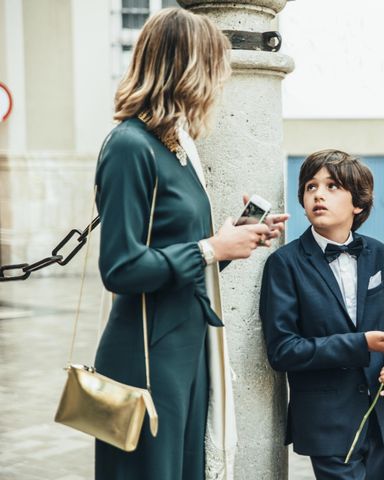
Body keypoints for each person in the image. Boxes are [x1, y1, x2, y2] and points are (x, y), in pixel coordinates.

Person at [93, 9, 288, 480]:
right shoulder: (129, 146)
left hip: (186, 346)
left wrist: (235, 240)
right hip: (147, 355)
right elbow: (119, 267)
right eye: (213, 68)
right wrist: (211, 249)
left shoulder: (174, 147)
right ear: (186, 69)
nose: (219, 83)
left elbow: (182, 256)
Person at [260, 150, 384, 480]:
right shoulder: (284, 264)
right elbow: (283, 350)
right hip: (325, 421)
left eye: (332, 186)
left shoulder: (379, 254)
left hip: (378, 415)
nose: (318, 193)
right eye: (310, 186)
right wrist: (361, 344)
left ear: (357, 203)